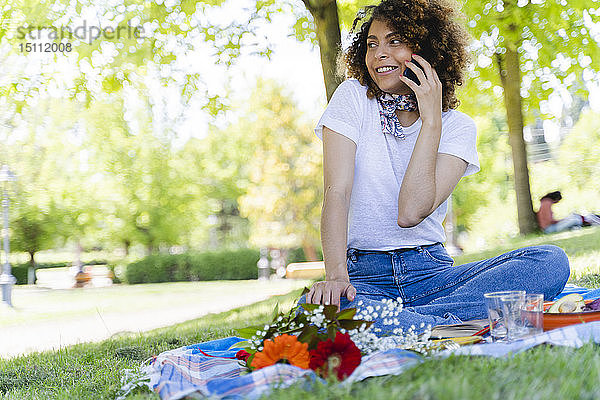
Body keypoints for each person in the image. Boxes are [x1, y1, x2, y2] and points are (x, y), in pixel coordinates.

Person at [300, 0, 571, 335]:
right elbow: (336, 192)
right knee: (313, 308)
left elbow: (410, 213)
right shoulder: (352, 98)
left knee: (550, 262)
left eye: (394, 41)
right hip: (363, 278)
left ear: (426, 49)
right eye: (372, 43)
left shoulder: (457, 127)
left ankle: (408, 325)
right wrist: (337, 278)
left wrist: (431, 123)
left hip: (432, 274)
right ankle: (450, 325)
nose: (379, 53)